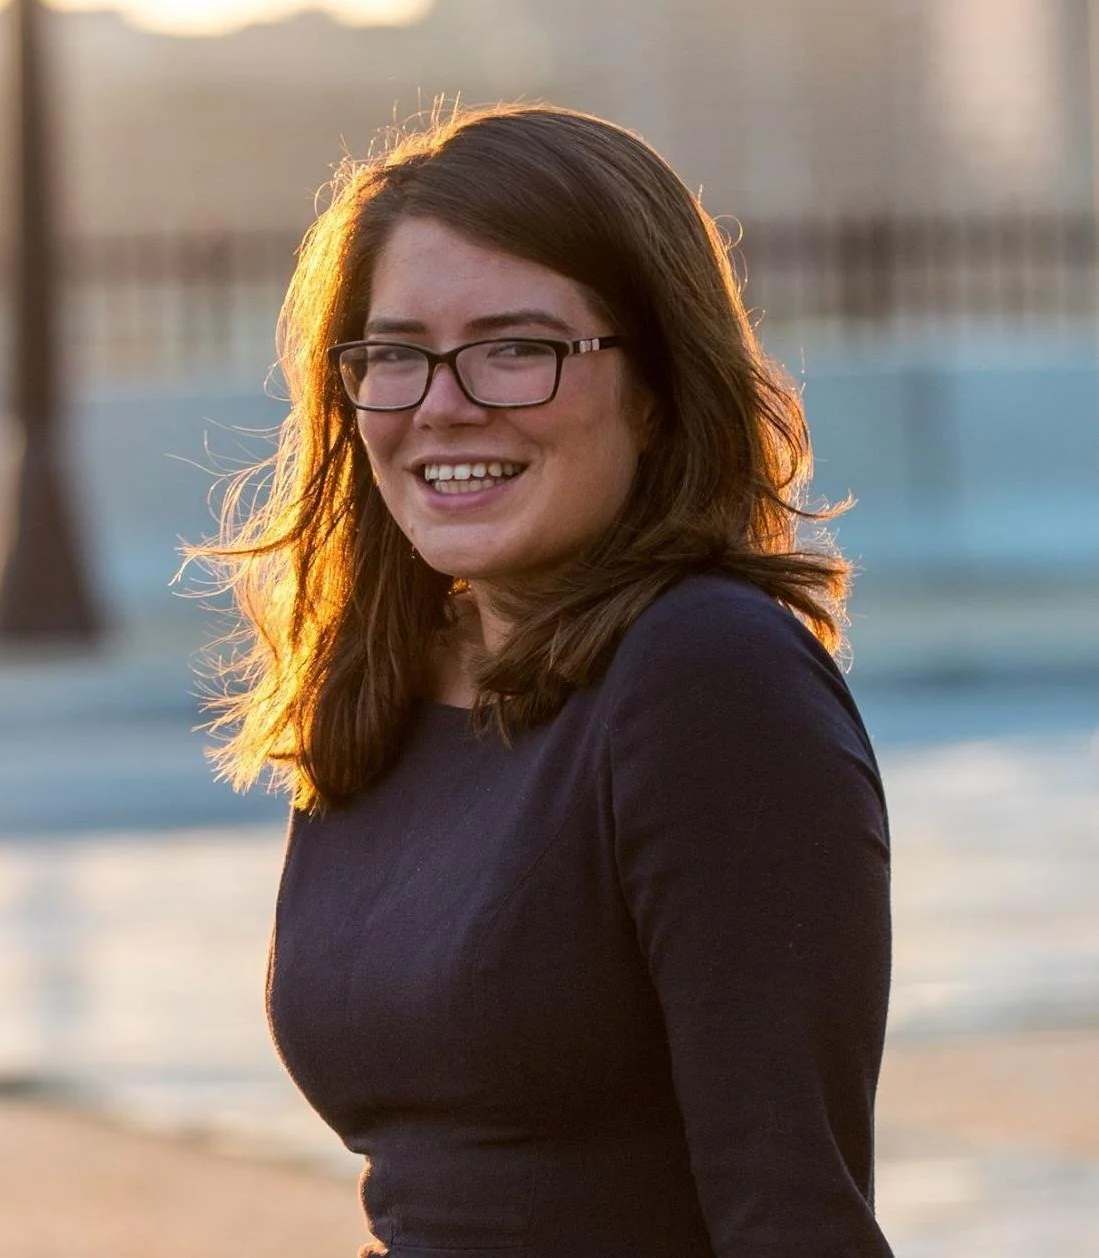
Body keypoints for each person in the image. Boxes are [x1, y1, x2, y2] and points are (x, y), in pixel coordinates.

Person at [200, 103, 894, 1256]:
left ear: (660, 386)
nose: (441, 403)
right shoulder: (385, 687)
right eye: (395, 353)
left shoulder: (709, 674)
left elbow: (791, 1213)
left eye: (516, 347)